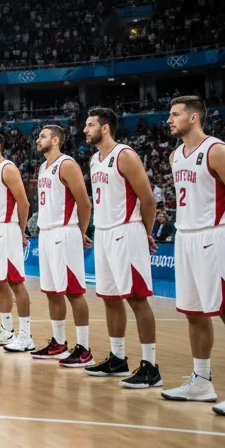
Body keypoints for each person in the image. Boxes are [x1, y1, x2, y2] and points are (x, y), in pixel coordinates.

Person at [162, 96, 225, 415]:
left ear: (194, 118)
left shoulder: (216, 150)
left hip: (215, 236)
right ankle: (201, 382)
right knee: (194, 313)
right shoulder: (176, 156)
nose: (169, 120)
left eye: (175, 114)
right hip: (186, 237)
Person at [83, 108, 161, 389]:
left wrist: (144, 232)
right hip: (103, 233)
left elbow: (148, 199)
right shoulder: (94, 159)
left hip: (126, 231)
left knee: (137, 299)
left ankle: (151, 366)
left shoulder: (124, 155)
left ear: (105, 128)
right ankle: (118, 358)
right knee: (110, 298)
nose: (85, 130)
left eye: (90, 125)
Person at [28, 125, 95, 367]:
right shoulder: (43, 167)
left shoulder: (67, 164)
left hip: (64, 232)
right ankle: (58, 343)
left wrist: (80, 232)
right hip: (46, 233)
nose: (38, 140)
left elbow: (84, 203)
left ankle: (84, 348)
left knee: (73, 292)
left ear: (56, 140)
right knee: (52, 291)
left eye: (43, 136)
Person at [0, 132, 34, 351]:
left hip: (6, 228)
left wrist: (20, 230)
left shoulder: (8, 168)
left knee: (15, 282)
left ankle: (26, 336)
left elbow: (24, 203)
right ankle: (6, 331)